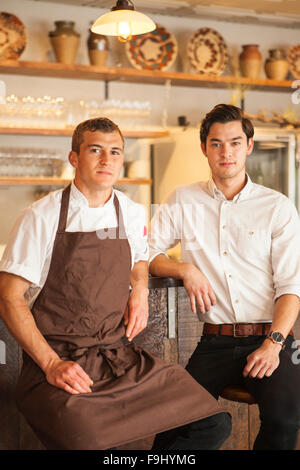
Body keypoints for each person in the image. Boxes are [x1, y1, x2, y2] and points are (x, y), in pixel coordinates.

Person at [0, 117, 230, 450]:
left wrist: (140, 287)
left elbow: (140, 257)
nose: (107, 160)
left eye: (115, 152)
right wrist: (51, 364)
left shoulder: (132, 212)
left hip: (120, 357)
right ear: (74, 158)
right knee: (87, 440)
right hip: (59, 363)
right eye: (96, 150)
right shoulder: (41, 217)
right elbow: (9, 298)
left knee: (211, 422)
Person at [149, 104, 300, 450]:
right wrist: (184, 269)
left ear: (249, 146)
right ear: (204, 148)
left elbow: (291, 287)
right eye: (216, 143)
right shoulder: (183, 199)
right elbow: (147, 252)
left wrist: (274, 344)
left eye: (234, 142)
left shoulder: (277, 207)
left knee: (286, 420)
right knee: (172, 421)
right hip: (214, 343)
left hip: (272, 339)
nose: (226, 152)